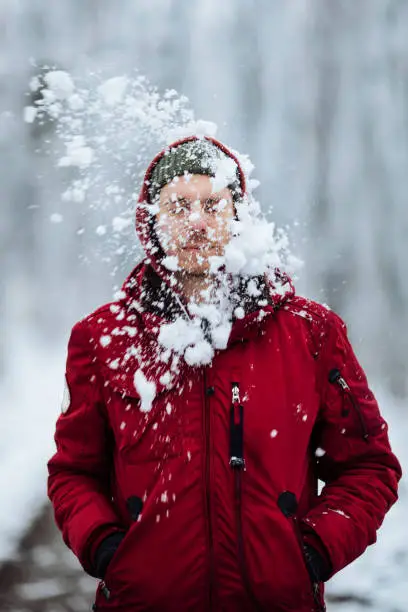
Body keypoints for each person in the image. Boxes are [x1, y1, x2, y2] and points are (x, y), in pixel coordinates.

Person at [48, 136, 402, 612]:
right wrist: (107, 549)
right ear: (152, 222)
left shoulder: (312, 334)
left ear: (239, 217)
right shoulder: (101, 339)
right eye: (178, 206)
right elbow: (74, 472)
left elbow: (368, 467)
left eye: (212, 204)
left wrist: (312, 554)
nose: (196, 221)